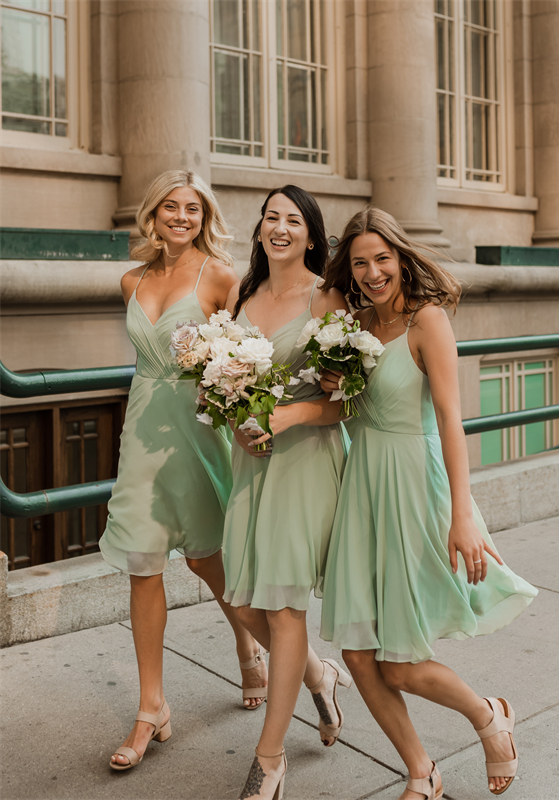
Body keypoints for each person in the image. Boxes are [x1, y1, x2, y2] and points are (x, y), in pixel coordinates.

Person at [319, 207, 538, 799]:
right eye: (360, 262)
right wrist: (332, 387)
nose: (371, 272)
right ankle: (422, 770)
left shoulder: (427, 320)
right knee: (359, 656)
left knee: (399, 660)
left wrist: (462, 513)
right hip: (361, 488)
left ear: (401, 257)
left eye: (381, 259)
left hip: (415, 487)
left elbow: (450, 420)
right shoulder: (351, 325)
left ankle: (489, 716)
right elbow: (343, 410)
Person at [99, 170, 267, 772]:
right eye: (170, 206)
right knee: (143, 564)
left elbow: (247, 356)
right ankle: (152, 708)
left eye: (192, 209)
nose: (181, 216)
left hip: (197, 431)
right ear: (153, 215)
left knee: (206, 558)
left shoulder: (221, 276)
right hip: (143, 427)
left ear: (205, 217)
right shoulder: (131, 279)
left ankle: (251, 648)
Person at [223, 186, 352, 800]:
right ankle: (319, 677)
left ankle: (269, 761)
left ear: (310, 234)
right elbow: (218, 383)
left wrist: (287, 418)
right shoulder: (239, 295)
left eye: (292, 220)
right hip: (249, 462)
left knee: (281, 607)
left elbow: (347, 403)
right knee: (243, 599)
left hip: (304, 460)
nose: (279, 228)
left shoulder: (327, 296)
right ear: (259, 230)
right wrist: (235, 424)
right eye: (271, 217)